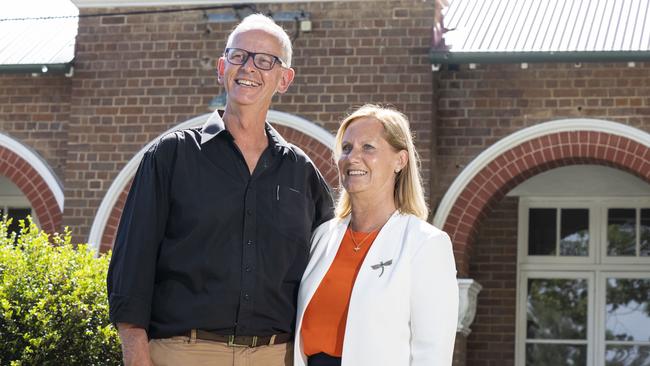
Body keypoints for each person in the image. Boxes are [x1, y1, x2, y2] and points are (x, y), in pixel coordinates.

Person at [107, 14, 333, 366]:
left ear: (284, 79)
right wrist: (136, 355)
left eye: (265, 60)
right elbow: (130, 266)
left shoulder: (301, 173)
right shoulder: (171, 156)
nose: (249, 67)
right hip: (183, 353)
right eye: (239, 55)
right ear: (221, 66)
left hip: (276, 356)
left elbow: (329, 271)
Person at [294, 105, 459, 366]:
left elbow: (433, 353)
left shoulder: (425, 244)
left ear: (400, 160)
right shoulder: (322, 237)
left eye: (368, 147)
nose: (352, 157)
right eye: (346, 148)